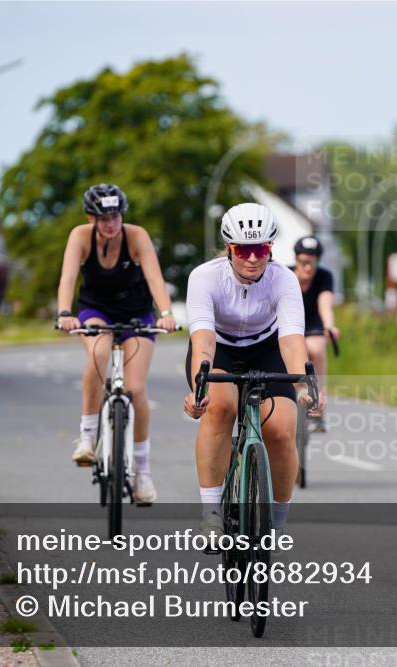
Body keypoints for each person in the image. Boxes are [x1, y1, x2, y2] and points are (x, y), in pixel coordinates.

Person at [183, 203, 315, 541]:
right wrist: (201, 388)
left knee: (283, 430)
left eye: (261, 249)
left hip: (266, 350)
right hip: (220, 350)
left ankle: (277, 524)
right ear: (229, 248)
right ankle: (212, 514)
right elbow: (203, 340)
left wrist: (302, 384)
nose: (253, 258)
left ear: (270, 248)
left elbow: (290, 341)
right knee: (220, 407)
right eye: (244, 249)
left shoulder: (283, 279)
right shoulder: (204, 276)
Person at [56, 183, 176, 506]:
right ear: (91, 218)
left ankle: (142, 471)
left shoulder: (137, 236)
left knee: (135, 388)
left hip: (137, 314)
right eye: (103, 218)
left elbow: (154, 276)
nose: (111, 223)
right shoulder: (79, 237)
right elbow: (68, 277)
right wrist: (65, 312)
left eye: (116, 216)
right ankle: (86, 437)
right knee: (99, 351)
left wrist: (165, 313)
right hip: (95, 310)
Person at [290, 235, 339, 431]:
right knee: (294, 349)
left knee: (317, 349)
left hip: (313, 323)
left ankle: (317, 406)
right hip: (290, 323)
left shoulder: (324, 276)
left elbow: (325, 305)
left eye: (313, 262)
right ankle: (294, 393)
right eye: (304, 262)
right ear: (296, 260)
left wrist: (330, 326)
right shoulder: (285, 275)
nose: (308, 268)